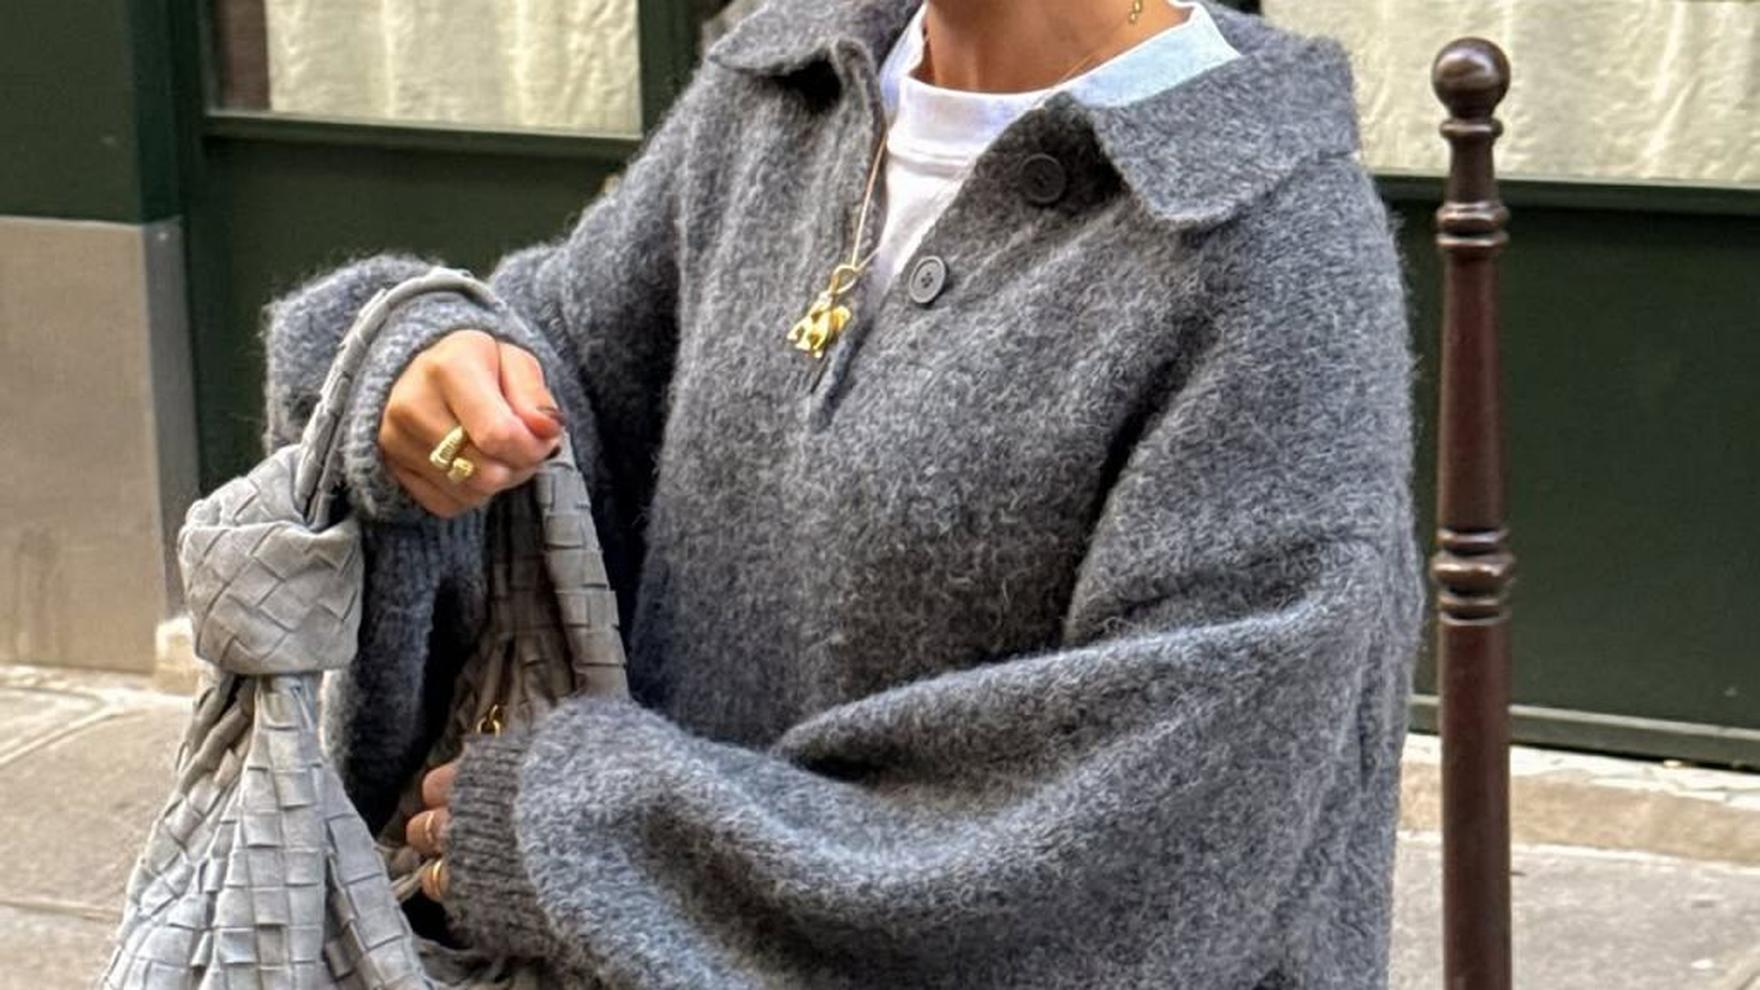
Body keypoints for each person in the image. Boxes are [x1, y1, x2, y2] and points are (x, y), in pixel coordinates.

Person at [262, 0, 1423, 985]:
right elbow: (562, 364)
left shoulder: (1265, 245)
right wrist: (410, 361)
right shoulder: (785, 87)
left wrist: (598, 836)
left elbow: (1160, 822)